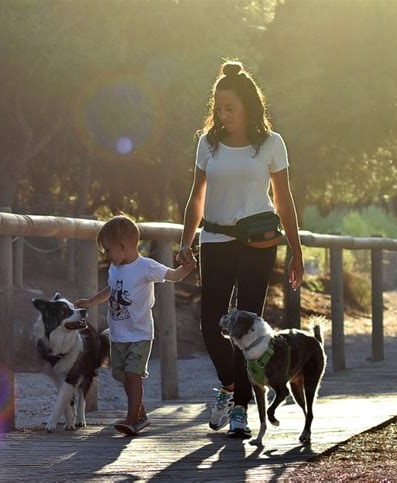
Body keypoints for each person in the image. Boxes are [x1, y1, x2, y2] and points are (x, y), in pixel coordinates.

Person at [176, 60, 304, 438]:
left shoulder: (271, 144)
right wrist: (186, 241)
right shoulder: (207, 144)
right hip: (214, 240)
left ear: (249, 105)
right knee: (210, 323)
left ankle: (242, 411)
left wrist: (296, 251)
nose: (223, 114)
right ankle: (230, 387)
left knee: (248, 329)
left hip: (258, 244)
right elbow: (196, 198)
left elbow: (283, 201)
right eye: (218, 108)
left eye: (229, 107)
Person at [76, 215, 195, 436]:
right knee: (122, 375)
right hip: (119, 334)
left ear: (122, 247)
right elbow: (111, 291)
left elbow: (173, 276)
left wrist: (185, 269)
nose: (106, 255)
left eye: (108, 250)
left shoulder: (146, 266)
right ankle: (140, 415)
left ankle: (132, 418)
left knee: (133, 374)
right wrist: (91, 301)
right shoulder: (115, 268)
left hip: (140, 334)